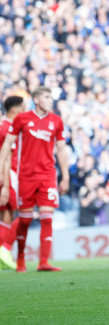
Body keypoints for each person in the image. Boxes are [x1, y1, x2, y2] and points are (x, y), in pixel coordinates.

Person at [0, 87, 69, 272]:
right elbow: (7, 144)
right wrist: (1, 170)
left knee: (47, 218)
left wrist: (66, 176)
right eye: (47, 97)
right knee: (25, 220)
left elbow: (61, 149)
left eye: (51, 97)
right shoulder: (22, 119)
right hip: (26, 176)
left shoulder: (57, 121)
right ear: (37, 99)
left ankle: (44, 262)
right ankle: (21, 259)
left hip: (47, 175)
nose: (50, 100)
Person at [0, 96, 25, 270]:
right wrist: (6, 184)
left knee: (7, 215)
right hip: (9, 175)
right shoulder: (8, 128)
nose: (25, 112)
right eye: (23, 108)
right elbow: (7, 156)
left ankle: (4, 252)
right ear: (15, 110)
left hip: (10, 174)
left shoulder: (4, 125)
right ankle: (5, 248)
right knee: (25, 211)